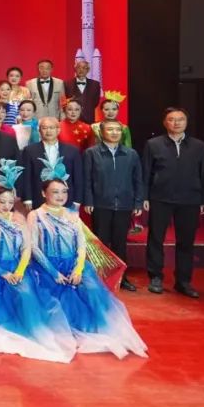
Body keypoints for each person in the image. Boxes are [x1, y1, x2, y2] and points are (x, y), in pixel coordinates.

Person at [0, 161, 77, 363]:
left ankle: (30, 330)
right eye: (2, 201)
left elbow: (27, 248)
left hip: (17, 267)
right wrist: (2, 272)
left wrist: (18, 271)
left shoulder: (19, 218)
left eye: (10, 201)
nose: (7, 206)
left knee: (26, 295)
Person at [27, 178, 147, 358]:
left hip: (74, 264)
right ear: (44, 193)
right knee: (56, 296)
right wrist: (53, 272)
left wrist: (78, 269)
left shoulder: (72, 215)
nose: (60, 196)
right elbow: (34, 247)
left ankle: (96, 328)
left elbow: (81, 245)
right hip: (47, 267)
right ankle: (63, 330)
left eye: (64, 192)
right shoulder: (36, 215)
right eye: (55, 192)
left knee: (92, 290)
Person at [142, 107, 204, 298]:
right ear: (165, 123)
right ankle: (155, 277)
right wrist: (144, 197)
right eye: (172, 119)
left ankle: (183, 281)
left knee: (186, 242)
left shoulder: (199, 146)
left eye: (180, 119)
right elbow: (146, 172)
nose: (176, 123)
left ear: (186, 122)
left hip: (190, 199)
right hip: (160, 198)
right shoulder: (153, 144)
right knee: (156, 239)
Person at [84, 120, 144, 292]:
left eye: (118, 129)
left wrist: (138, 201)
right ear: (101, 132)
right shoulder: (91, 153)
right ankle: (100, 278)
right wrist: (88, 200)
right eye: (110, 129)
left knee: (120, 243)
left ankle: (121, 278)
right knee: (101, 243)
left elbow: (138, 179)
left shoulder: (131, 154)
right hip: (100, 204)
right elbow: (87, 179)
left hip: (124, 204)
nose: (114, 132)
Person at [21, 116, 83, 210]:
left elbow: (78, 177)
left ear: (58, 130)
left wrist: (77, 200)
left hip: (66, 199)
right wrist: (27, 199)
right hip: (39, 198)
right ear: (39, 130)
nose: (48, 131)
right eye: (44, 128)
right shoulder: (29, 150)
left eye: (51, 128)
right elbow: (26, 176)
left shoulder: (72, 150)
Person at [64, 60, 102, 124]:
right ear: (75, 69)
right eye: (79, 67)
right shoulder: (67, 84)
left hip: (89, 118)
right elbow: (65, 101)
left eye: (84, 68)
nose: (81, 70)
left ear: (88, 70)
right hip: (72, 119)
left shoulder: (95, 84)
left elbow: (95, 102)